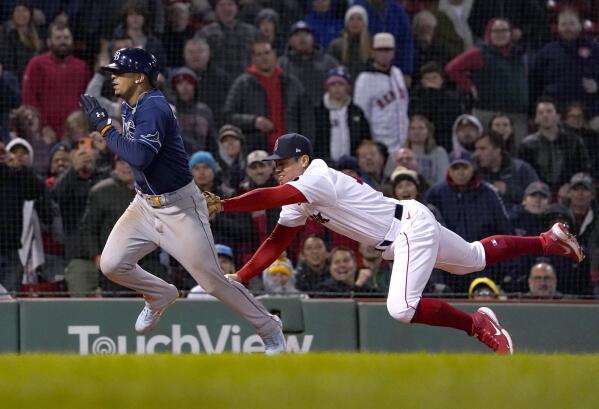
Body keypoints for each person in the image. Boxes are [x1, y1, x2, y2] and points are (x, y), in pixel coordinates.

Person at [205, 132, 584, 354]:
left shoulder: (316, 176)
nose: (278, 167)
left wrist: (226, 203)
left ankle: (477, 325)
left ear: (303, 159)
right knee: (474, 258)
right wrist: (242, 274)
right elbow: (278, 239)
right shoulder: (300, 195)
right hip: (408, 222)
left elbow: (271, 197)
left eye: (283, 161)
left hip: (406, 231)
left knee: (401, 308)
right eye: (275, 163)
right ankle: (546, 240)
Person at [78, 47, 285, 353]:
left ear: (139, 77)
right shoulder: (129, 105)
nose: (114, 78)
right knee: (111, 264)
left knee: (213, 281)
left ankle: (270, 328)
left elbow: (139, 156)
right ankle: (160, 294)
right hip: (145, 204)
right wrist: (110, 126)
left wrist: (104, 127)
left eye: (119, 73)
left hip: (180, 208)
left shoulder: (155, 107)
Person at [223, 34, 314, 152]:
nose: (264, 58)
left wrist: (306, 148)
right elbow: (228, 116)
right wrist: (253, 121)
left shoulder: (291, 83)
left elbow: (307, 119)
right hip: (257, 153)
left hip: (290, 151)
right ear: (252, 58)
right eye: (258, 54)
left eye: (267, 53)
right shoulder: (242, 84)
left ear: (274, 54)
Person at [445, 18, 529, 146]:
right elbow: (451, 69)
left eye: (504, 30)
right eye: (496, 31)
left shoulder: (519, 54)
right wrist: (469, 86)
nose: (500, 34)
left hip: (517, 113)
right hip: (487, 112)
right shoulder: (479, 53)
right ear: (489, 33)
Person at [22, 23, 91, 138]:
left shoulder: (82, 67)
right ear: (49, 42)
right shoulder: (36, 64)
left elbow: (88, 99)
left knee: (86, 155)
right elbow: (29, 99)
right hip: (46, 134)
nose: (63, 42)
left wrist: (83, 126)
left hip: (78, 132)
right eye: (58, 38)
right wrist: (42, 126)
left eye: (66, 38)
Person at [354, 32, 409, 166]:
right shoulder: (365, 79)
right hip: (381, 148)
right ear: (373, 53)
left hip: (403, 146)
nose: (384, 54)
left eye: (388, 50)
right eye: (380, 50)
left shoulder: (397, 73)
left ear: (393, 52)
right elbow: (361, 116)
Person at [519, 97, 591, 192]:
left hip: (570, 193)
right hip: (538, 194)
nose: (545, 115)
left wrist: (570, 185)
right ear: (536, 118)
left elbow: (584, 170)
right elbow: (524, 175)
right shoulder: (527, 144)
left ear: (558, 116)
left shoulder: (574, 141)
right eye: (541, 112)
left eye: (549, 111)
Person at [313, 66, 371, 164]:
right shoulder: (318, 112)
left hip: (352, 165)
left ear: (348, 87)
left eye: (341, 84)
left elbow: (365, 139)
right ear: (327, 88)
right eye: (333, 84)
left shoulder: (357, 112)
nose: (337, 88)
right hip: (326, 165)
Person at [278, 20, 339, 108]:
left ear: (313, 38)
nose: (302, 38)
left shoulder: (328, 62)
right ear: (290, 41)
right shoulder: (282, 64)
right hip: (293, 114)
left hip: (323, 113)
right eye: (297, 35)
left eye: (306, 34)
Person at [474, 130, 539, 208]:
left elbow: (538, 197)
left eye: (482, 149)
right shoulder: (475, 174)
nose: (477, 154)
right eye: (476, 149)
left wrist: (508, 190)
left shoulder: (521, 169)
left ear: (497, 149)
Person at [327, 5, 371, 80]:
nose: (355, 23)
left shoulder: (372, 45)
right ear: (346, 23)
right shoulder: (336, 46)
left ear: (365, 23)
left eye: (359, 19)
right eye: (351, 19)